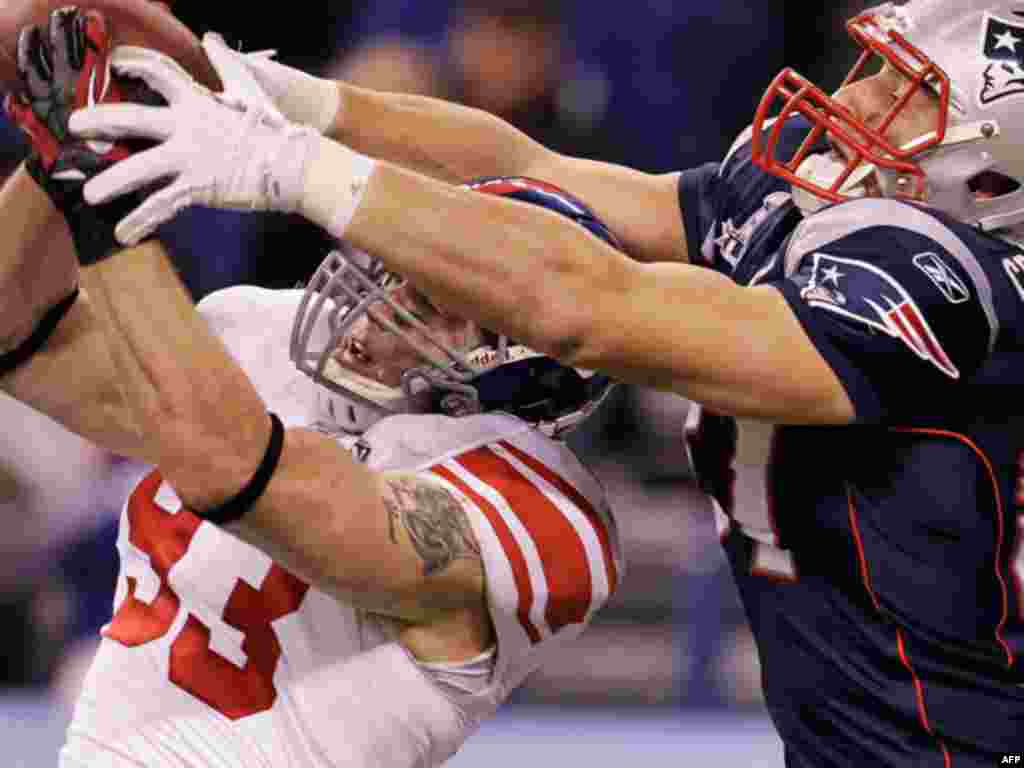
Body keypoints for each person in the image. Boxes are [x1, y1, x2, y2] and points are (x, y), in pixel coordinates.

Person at [62, 0, 1024, 764]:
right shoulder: (819, 209)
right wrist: (293, 101)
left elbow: (586, 309)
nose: (852, 100)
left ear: (991, 175)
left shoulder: (955, 283)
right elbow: (530, 168)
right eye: (873, 67)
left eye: (906, 89)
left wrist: (292, 167)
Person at [0, 9, 622, 767]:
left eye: (434, 299)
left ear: (521, 359)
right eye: (403, 271)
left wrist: (101, 199)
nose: (387, 297)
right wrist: (69, 143)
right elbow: (15, 333)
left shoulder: (545, 513)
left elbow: (237, 470)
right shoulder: (269, 332)